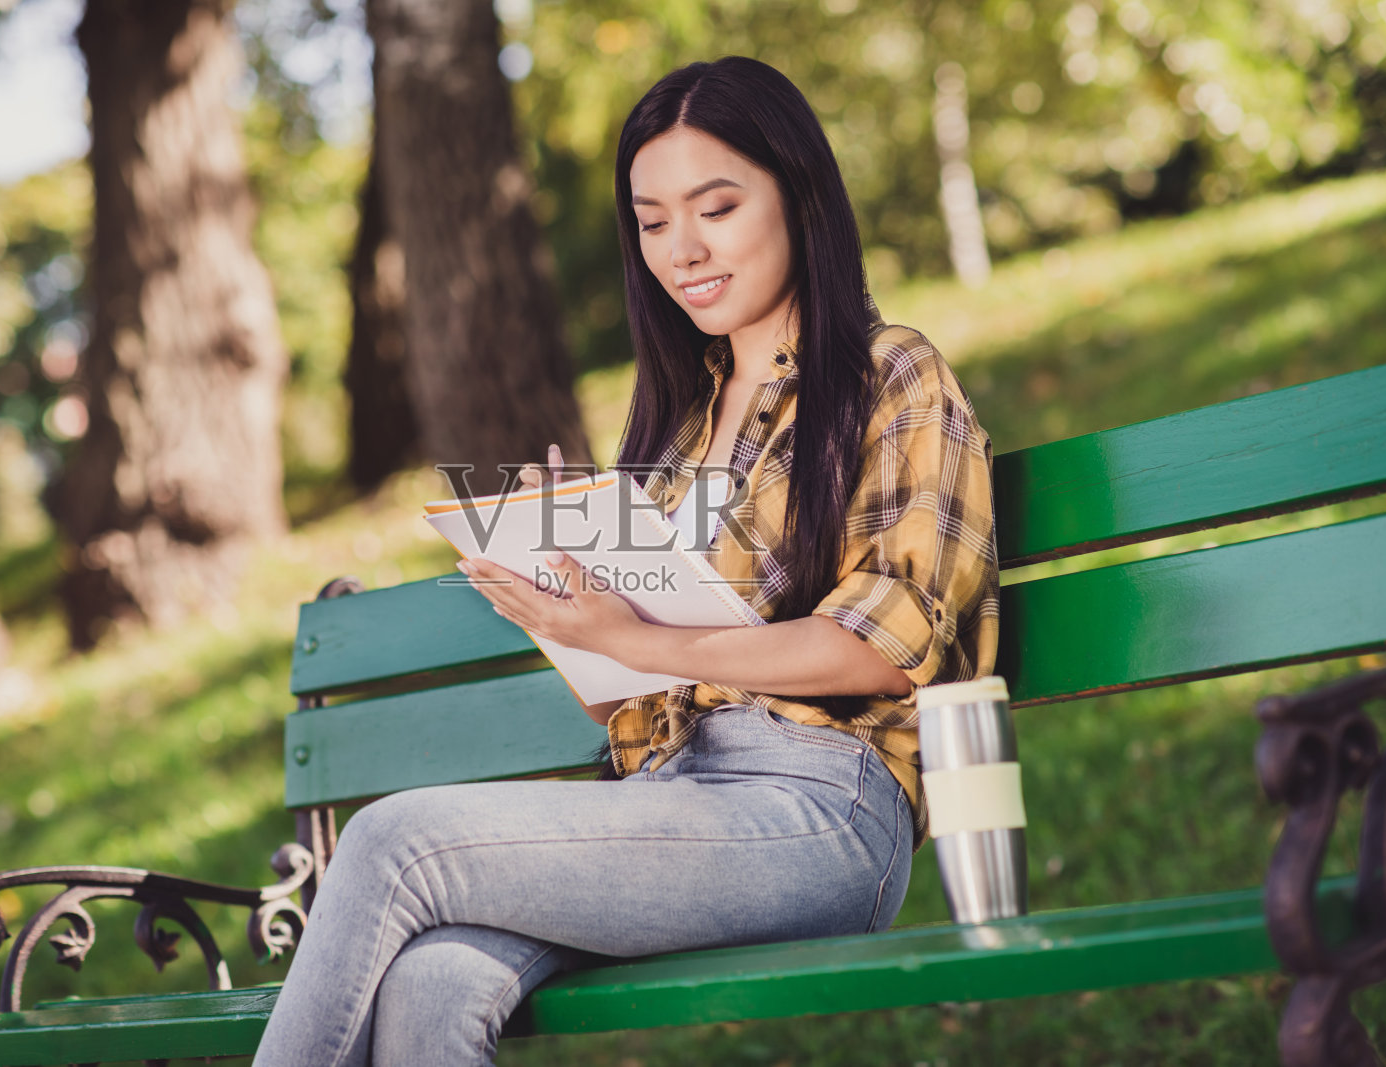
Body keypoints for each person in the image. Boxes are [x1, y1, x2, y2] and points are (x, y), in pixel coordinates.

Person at [253, 55, 999, 1066]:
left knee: (392, 841)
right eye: (652, 221)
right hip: (665, 800)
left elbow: (887, 642)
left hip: (819, 809)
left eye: (716, 206)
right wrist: (569, 611)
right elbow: (623, 705)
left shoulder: (888, 374)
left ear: (799, 197)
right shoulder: (677, 433)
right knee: (435, 978)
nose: (682, 247)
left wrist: (645, 632)